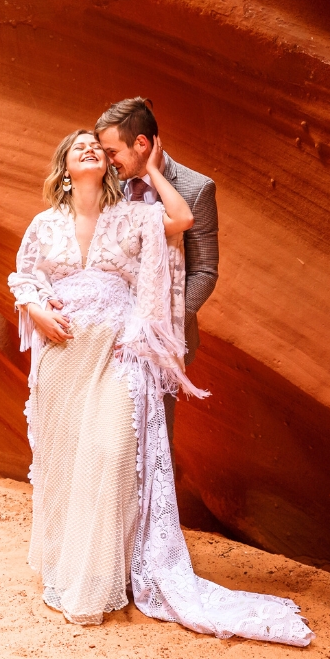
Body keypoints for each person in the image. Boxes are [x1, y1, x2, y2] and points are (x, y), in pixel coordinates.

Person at [8, 129, 314, 646]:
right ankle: (72, 567)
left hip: (120, 355)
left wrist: (150, 169)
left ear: (107, 166)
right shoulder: (45, 224)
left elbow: (182, 219)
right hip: (63, 359)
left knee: (110, 454)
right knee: (68, 462)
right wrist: (36, 307)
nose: (89, 149)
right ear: (63, 169)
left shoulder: (132, 216)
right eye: (77, 146)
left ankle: (99, 580)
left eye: (96, 147)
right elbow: (24, 276)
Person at [95, 97, 218, 457]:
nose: (107, 160)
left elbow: (205, 272)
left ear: (142, 144)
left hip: (160, 339)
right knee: (107, 441)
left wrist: (157, 325)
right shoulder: (108, 184)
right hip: (107, 333)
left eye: (112, 151)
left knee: (153, 443)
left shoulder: (195, 189)